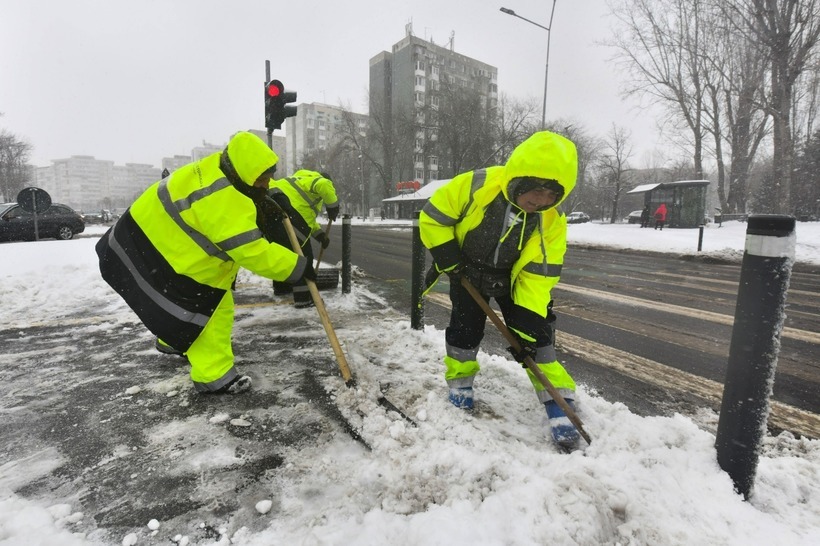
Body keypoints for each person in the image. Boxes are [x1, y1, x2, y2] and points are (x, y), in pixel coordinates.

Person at [96, 131, 315, 395]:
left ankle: (173, 340)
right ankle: (215, 376)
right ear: (245, 173)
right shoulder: (223, 201)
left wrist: (268, 196)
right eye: (263, 179)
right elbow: (252, 252)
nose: (266, 184)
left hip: (138, 237)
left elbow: (246, 191)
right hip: (159, 249)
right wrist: (296, 267)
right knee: (210, 307)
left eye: (269, 178)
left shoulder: (217, 167)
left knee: (173, 301)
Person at [419, 130, 580, 449]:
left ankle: (557, 399)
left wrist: (529, 315)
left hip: (515, 278)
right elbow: (434, 216)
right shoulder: (477, 185)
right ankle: (460, 383)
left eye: (551, 197)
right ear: (518, 182)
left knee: (538, 337)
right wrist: (448, 255)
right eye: (533, 195)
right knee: (465, 330)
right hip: (466, 268)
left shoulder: (551, 220)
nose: (540, 203)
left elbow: (540, 271)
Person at [261, 169, 340, 308]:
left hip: (275, 215)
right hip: (289, 218)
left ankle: (282, 287)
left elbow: (308, 219)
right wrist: (333, 206)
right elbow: (324, 184)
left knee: (285, 256)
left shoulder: (298, 183)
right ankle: (303, 298)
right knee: (304, 259)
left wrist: (320, 235)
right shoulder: (315, 181)